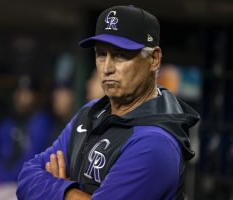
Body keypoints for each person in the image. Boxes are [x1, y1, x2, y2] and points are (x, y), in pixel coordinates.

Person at [16, 5, 200, 200]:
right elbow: (26, 178)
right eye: (101, 54)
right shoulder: (90, 112)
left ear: (154, 59)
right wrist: (70, 192)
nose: (107, 67)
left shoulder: (155, 142)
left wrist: (58, 188)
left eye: (121, 55)